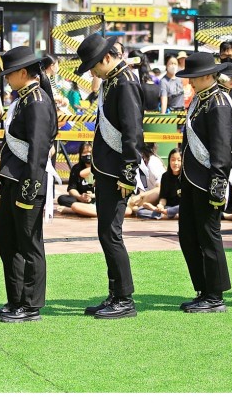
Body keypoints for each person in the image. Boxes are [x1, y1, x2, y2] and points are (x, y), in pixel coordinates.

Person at [76, 33, 144, 319]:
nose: (92, 71)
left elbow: (132, 132)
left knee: (111, 234)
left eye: (93, 65)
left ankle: (124, 298)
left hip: (118, 171)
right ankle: (116, 293)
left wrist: (128, 173)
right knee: (106, 232)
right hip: (107, 169)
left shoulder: (125, 83)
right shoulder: (113, 81)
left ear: (107, 58)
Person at [0, 46, 58, 323]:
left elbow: (39, 149)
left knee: (30, 244)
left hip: (26, 182)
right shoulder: (24, 99)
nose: (6, 79)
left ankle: (30, 305)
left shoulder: (38, 101)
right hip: (11, 178)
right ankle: (15, 299)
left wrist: (30, 189)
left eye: (9, 74)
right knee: (7, 241)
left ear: (22, 73)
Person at [174, 52, 232, 313]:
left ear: (209, 76)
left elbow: (221, 147)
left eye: (194, 78)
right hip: (190, 178)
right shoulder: (200, 99)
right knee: (188, 235)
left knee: (209, 237)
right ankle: (202, 289)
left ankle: (215, 294)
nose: (191, 83)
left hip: (207, 180)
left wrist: (218, 183)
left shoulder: (218, 102)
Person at [58, 142, 96, 217]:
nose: (88, 155)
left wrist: (92, 196)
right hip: (81, 199)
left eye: (90, 152)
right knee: (62, 199)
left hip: (96, 198)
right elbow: (71, 188)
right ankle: (82, 208)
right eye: (84, 152)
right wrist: (80, 197)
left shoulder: (99, 169)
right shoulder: (76, 168)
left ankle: (73, 210)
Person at [154, 147, 183, 219]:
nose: (175, 163)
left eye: (179, 160)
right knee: (140, 211)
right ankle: (169, 214)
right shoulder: (165, 176)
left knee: (185, 206)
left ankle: (167, 214)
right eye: (173, 160)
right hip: (168, 207)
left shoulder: (186, 177)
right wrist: (160, 205)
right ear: (169, 161)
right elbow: (163, 197)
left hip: (181, 207)